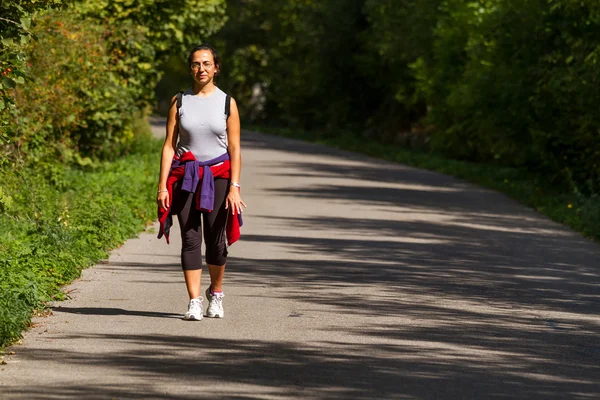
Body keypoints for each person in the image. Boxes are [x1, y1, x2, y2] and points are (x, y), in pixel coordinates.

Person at [156, 44, 246, 321]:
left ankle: (215, 294)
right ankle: (194, 301)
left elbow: (235, 148)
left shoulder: (227, 102)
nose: (201, 69)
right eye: (196, 64)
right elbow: (169, 146)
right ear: (190, 68)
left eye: (207, 64)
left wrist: (234, 186)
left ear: (216, 67)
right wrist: (162, 186)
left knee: (216, 241)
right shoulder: (179, 101)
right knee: (190, 238)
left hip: (218, 176)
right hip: (186, 177)